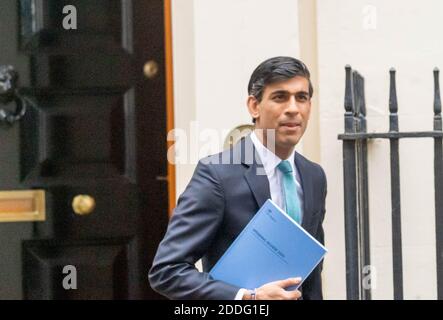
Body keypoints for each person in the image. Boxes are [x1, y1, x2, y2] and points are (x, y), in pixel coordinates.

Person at [149, 56, 327, 300]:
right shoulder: (217, 174)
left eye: (302, 97)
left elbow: (311, 273)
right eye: (280, 97)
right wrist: (247, 297)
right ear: (254, 106)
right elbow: (167, 271)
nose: (293, 108)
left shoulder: (314, 176)